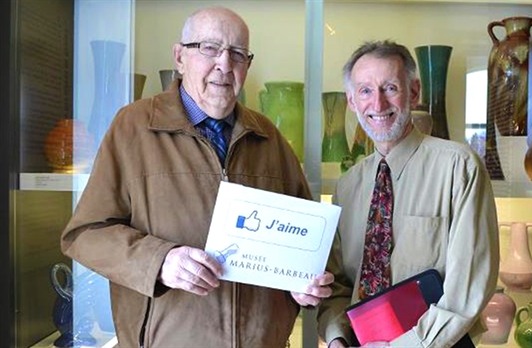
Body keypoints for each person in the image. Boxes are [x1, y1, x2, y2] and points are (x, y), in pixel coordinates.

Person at [61, 6, 332, 347]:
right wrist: (159, 261)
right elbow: (84, 234)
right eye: (209, 48)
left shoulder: (268, 136)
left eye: (237, 53)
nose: (224, 64)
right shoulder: (132, 127)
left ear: (247, 65)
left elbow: (306, 245)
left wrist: (303, 284)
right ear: (179, 56)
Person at [317, 40, 499, 348]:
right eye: (365, 91)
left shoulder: (458, 167)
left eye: (389, 88)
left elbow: (467, 288)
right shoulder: (348, 186)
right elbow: (338, 286)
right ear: (350, 101)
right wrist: (337, 339)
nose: (377, 104)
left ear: (413, 92)